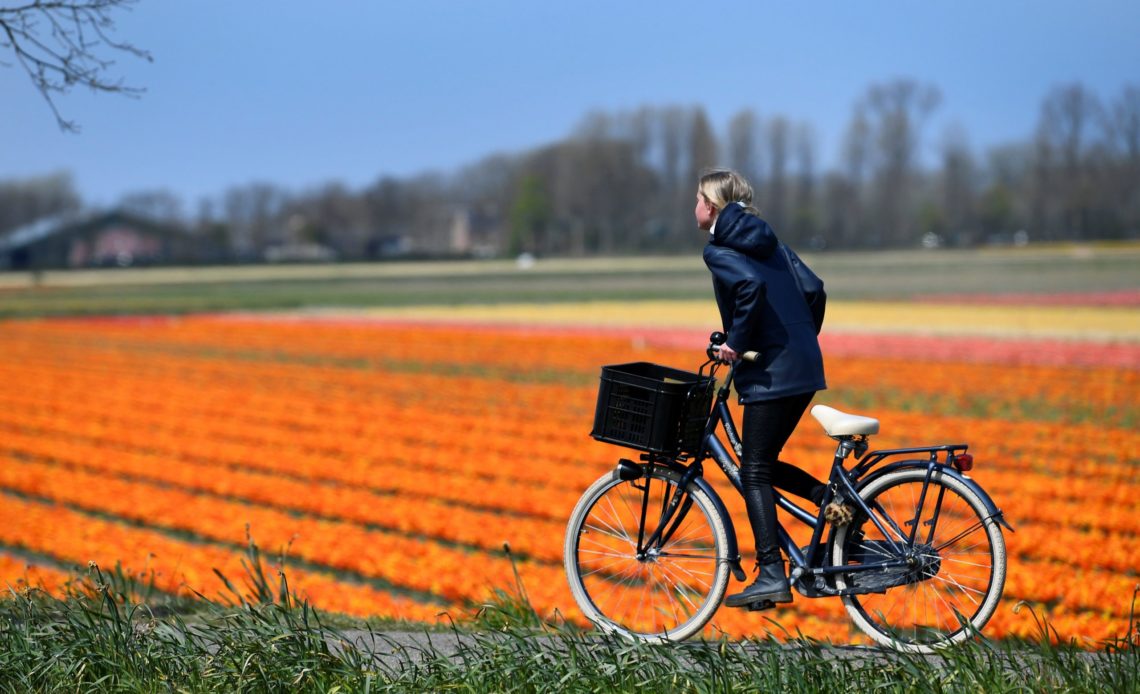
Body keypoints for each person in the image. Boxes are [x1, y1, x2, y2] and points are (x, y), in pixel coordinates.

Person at [696, 168, 829, 609]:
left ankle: (772, 573)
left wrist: (735, 344)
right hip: (804, 365)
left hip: (773, 373)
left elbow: (749, 287)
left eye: (697, 198)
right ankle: (832, 504)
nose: (693, 207)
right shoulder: (772, 242)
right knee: (765, 463)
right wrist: (797, 340)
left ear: (711, 206)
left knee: (752, 470)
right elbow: (815, 290)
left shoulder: (718, 249)